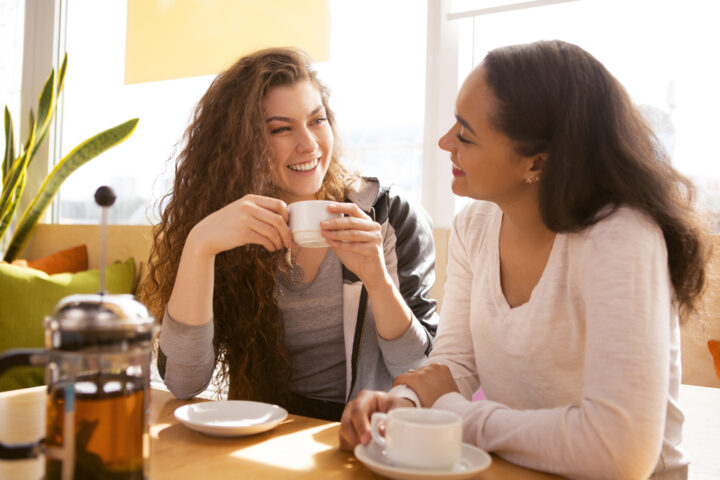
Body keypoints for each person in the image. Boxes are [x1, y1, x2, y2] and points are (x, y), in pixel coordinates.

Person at [339, 40, 710, 479]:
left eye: (465, 133)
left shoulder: (622, 238)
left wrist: (459, 418)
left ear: (538, 163)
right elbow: (456, 365)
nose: (444, 142)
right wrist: (405, 406)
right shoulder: (474, 226)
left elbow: (619, 453)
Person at [142, 48, 438, 421]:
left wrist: (377, 282)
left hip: (359, 435)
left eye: (317, 120)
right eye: (281, 128)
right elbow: (183, 382)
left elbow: (420, 372)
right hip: (259, 432)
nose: (309, 144)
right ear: (240, 143)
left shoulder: (387, 217)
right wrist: (200, 246)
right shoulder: (229, 228)